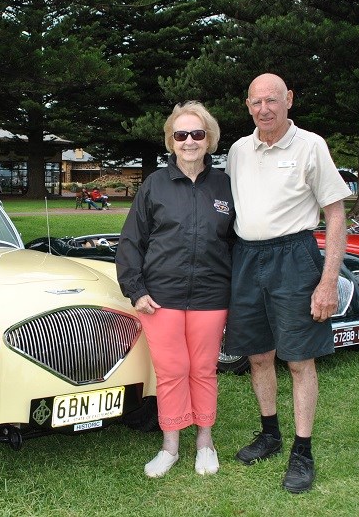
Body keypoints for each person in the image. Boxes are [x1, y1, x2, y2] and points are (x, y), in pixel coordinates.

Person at [224, 73, 352, 494]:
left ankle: (302, 450)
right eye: (257, 102)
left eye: (273, 101)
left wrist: (328, 280)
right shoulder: (239, 150)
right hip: (246, 258)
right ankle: (270, 434)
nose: (265, 109)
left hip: (294, 258)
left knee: (299, 359)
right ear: (248, 106)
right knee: (259, 357)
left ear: (289, 100)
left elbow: (335, 214)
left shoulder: (310, 145)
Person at [116, 101, 235, 478]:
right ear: (171, 140)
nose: (189, 141)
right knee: (171, 371)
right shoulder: (155, 184)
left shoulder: (225, 185)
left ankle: (204, 442)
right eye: (181, 134)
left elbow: (238, 241)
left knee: (203, 369)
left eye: (197, 134)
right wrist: (136, 289)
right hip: (160, 297)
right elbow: (131, 240)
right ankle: (170, 446)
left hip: (211, 296)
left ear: (209, 139)